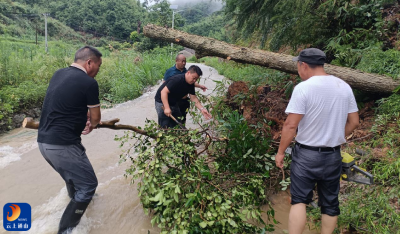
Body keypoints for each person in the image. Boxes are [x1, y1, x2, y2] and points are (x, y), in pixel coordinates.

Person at [274, 48, 359, 234]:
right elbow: (354, 121)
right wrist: (335, 136)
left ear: (303, 65)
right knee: (330, 203)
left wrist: (280, 152)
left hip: (306, 155)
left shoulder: (303, 88)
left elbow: (290, 125)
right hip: (333, 156)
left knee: (299, 201)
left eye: (298, 66)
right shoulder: (343, 86)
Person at [37, 46, 103, 234]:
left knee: (74, 180)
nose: (98, 69)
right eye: (98, 65)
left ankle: (79, 204)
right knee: (89, 185)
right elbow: (96, 119)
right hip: (62, 145)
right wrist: (92, 123)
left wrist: (84, 118)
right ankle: (65, 231)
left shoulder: (59, 74)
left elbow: (67, 103)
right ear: (89, 62)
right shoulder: (89, 83)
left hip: (43, 142)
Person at [163, 54, 207, 125]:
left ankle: (182, 132)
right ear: (176, 61)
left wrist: (200, 86)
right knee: (170, 121)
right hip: (173, 100)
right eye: (182, 61)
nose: (184, 63)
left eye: (185, 61)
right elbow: (164, 87)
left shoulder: (187, 72)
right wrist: (166, 106)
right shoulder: (170, 72)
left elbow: (191, 83)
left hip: (183, 101)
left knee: (182, 119)